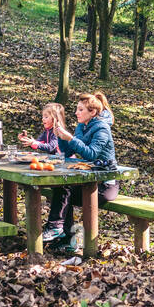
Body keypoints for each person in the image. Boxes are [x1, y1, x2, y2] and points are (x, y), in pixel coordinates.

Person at [42, 92, 119, 254]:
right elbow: (70, 150)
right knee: (61, 188)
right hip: (87, 180)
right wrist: (61, 137)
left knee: (64, 192)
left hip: (105, 185)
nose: (76, 113)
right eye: (77, 109)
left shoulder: (102, 129)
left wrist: (70, 138)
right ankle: (65, 238)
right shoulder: (81, 126)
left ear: (93, 112)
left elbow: (91, 154)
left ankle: (58, 229)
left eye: (80, 110)